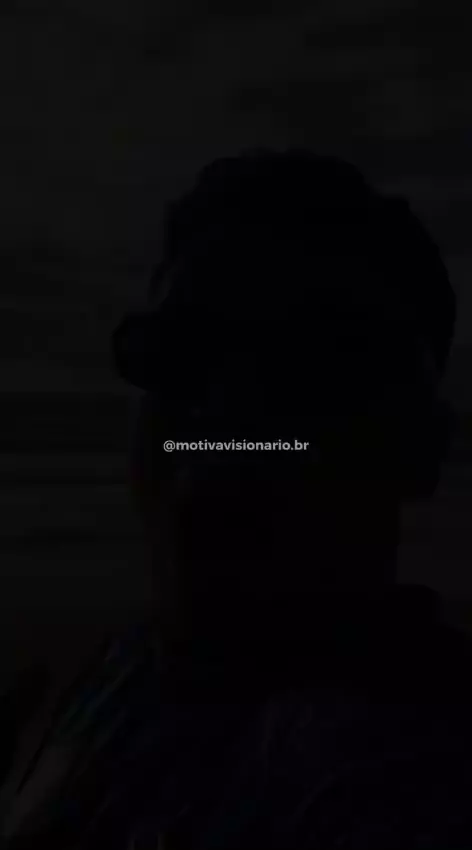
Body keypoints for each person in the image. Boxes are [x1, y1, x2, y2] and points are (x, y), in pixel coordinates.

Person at [2, 147, 472, 849]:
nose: (222, 434)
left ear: (419, 447)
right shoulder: (118, 677)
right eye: (177, 358)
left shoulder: (416, 786)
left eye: (306, 374)